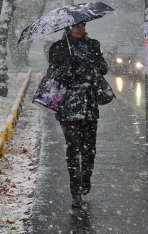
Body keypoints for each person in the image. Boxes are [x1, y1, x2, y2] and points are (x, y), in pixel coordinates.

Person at [47, 22, 108, 208]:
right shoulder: (58, 48)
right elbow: (53, 74)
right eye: (76, 27)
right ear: (68, 29)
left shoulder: (93, 45)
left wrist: (91, 64)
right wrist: (69, 67)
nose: (80, 29)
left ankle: (86, 178)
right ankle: (75, 192)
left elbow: (103, 68)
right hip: (68, 106)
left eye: (82, 26)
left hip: (89, 105)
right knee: (73, 151)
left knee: (89, 150)